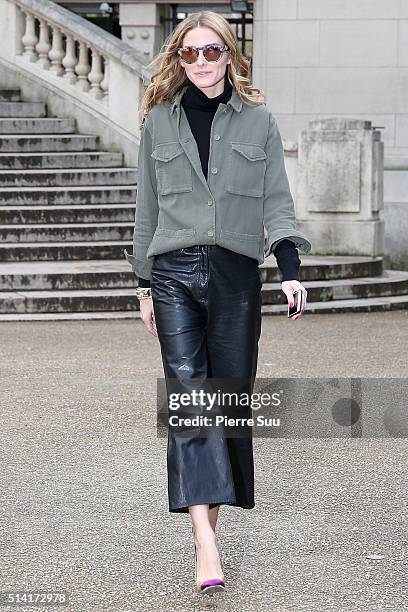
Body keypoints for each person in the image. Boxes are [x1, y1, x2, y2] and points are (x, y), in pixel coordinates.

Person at [124, 10, 311, 596]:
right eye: (190, 53)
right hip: (174, 270)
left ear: (230, 55)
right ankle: (205, 539)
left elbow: (276, 200)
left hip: (235, 274)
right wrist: (143, 285)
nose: (201, 62)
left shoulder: (258, 122)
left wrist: (289, 272)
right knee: (189, 393)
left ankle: (210, 516)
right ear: (178, 60)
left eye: (212, 52)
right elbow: (146, 208)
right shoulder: (158, 121)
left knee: (226, 400)